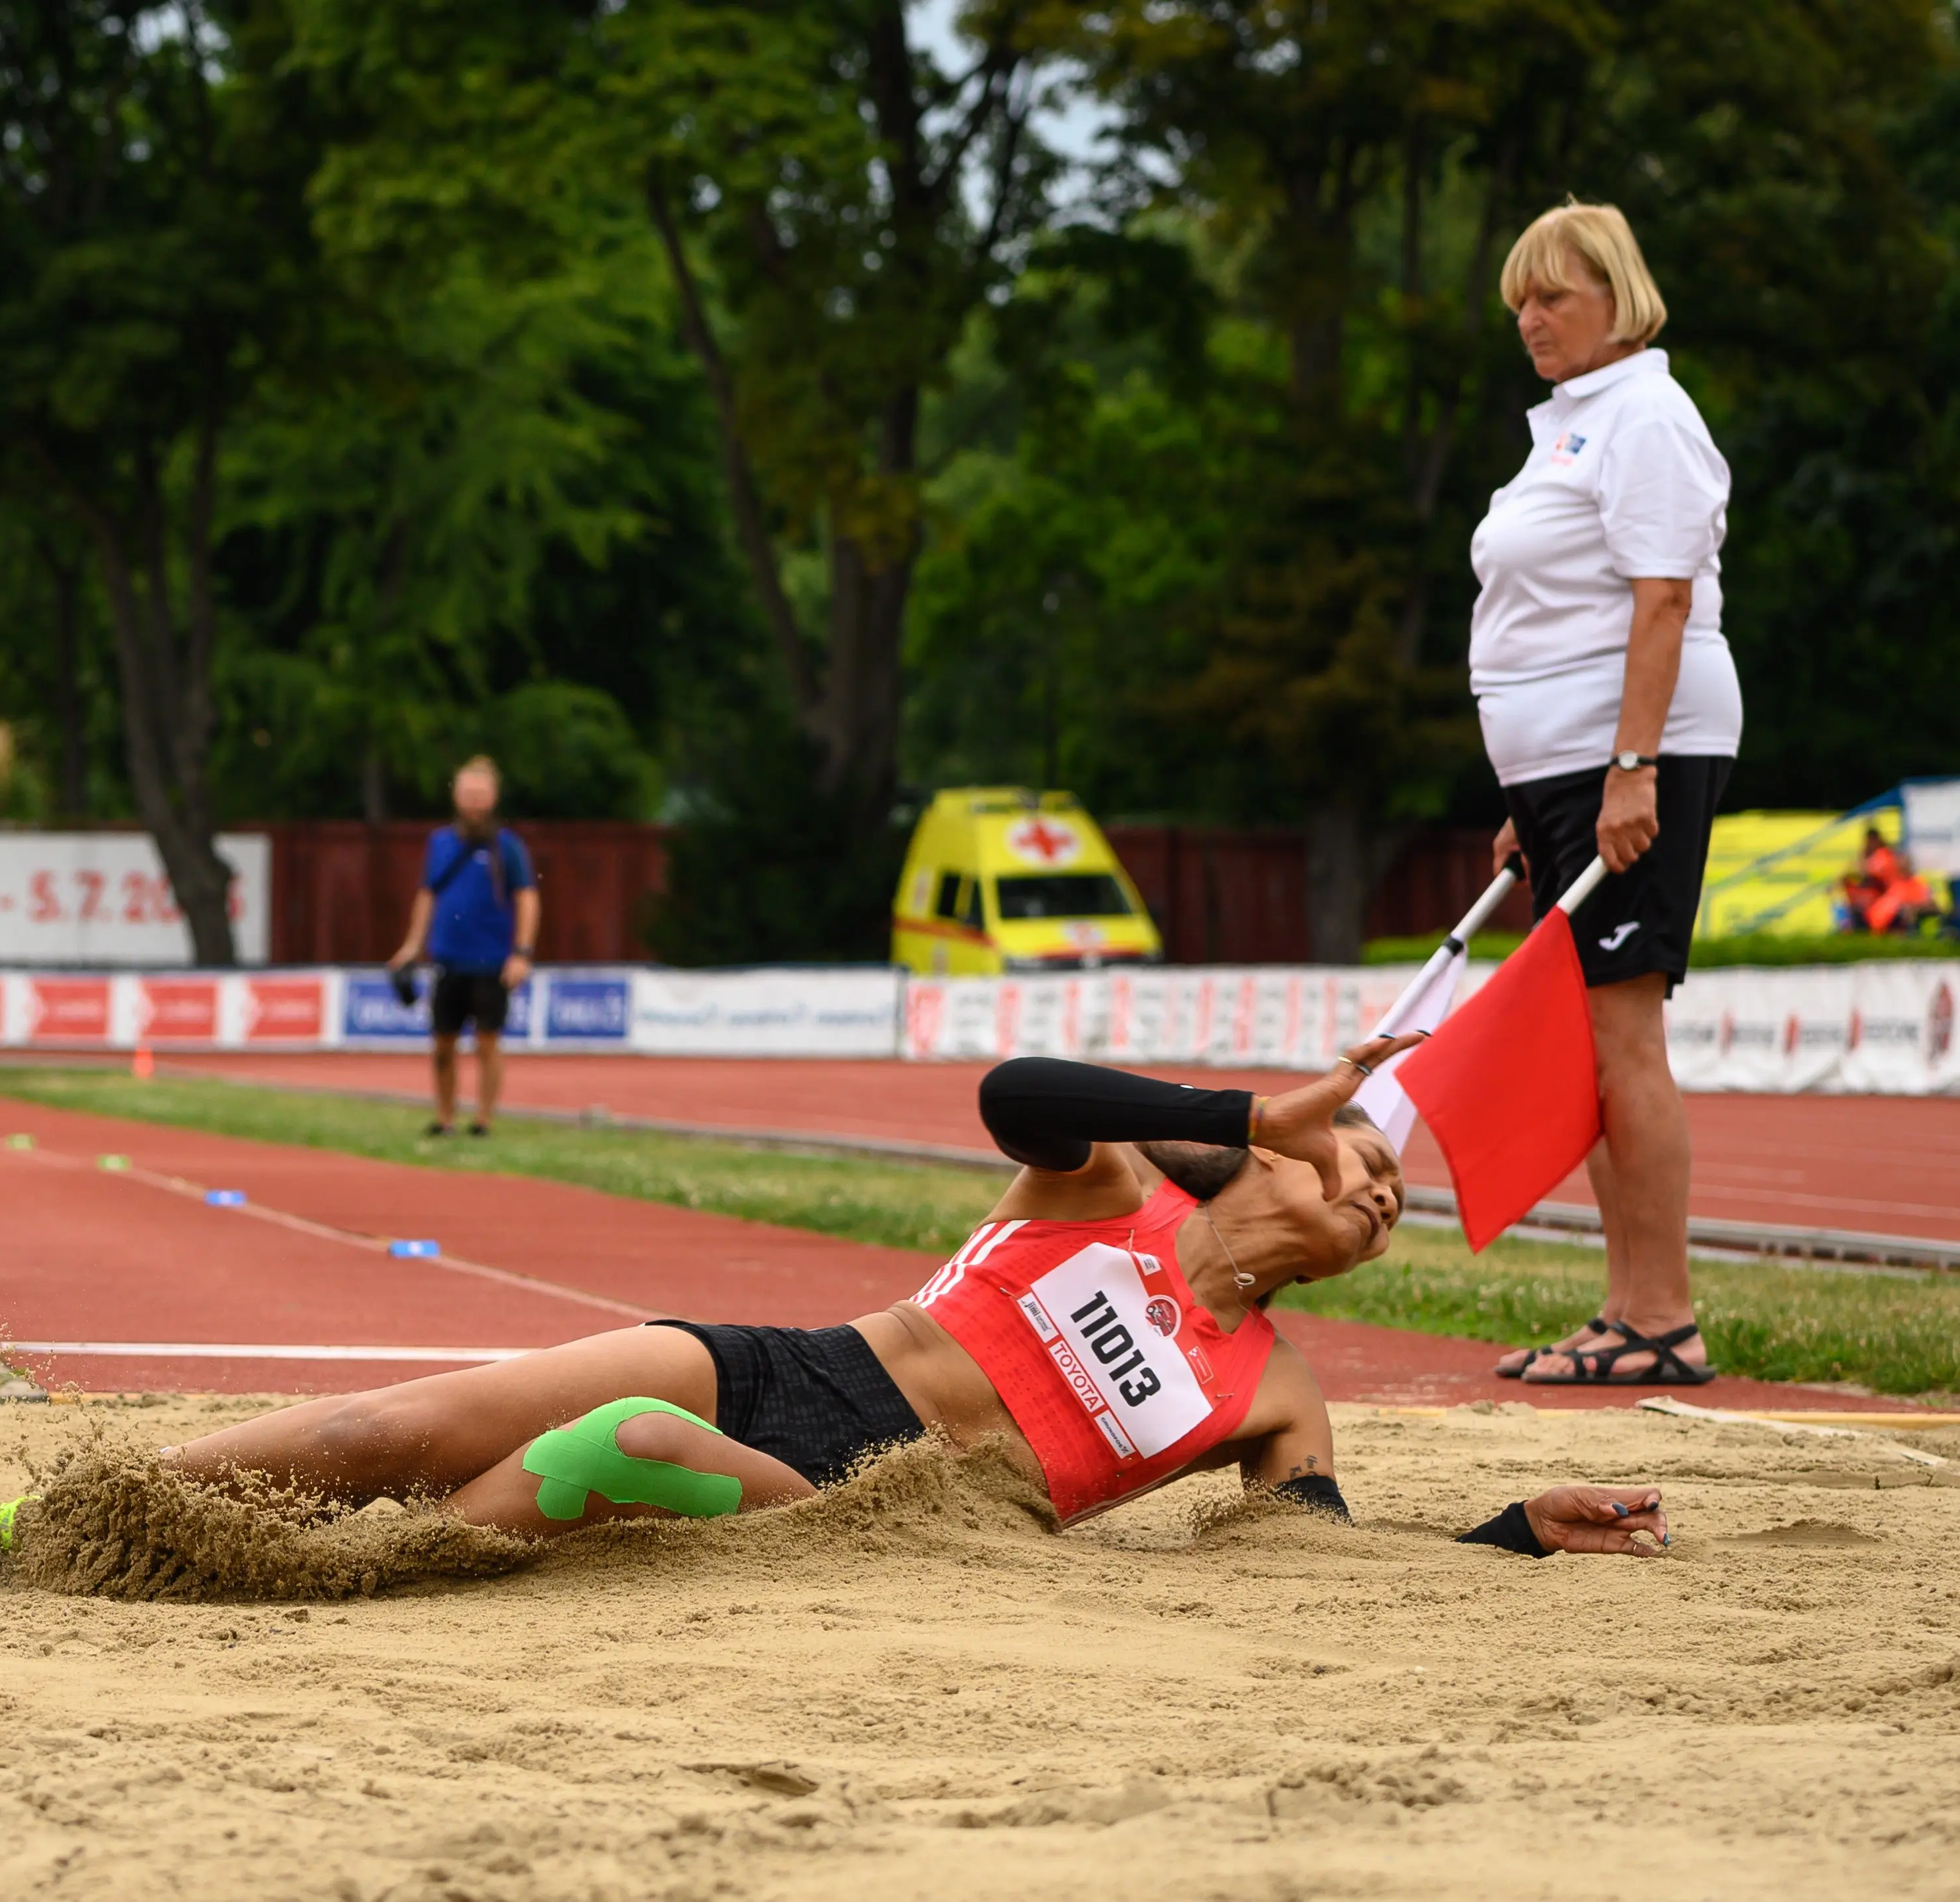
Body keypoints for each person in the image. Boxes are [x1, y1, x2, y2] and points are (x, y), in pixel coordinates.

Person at [168, 1045, 1671, 1560]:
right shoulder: (1110, 1183)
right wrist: (1263, 1100)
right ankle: (83, 1521)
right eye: (1364, 1157)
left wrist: (1506, 1532)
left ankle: (357, 1576)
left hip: (880, 1508)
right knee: (386, 1422)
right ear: (1274, 1150)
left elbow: (1309, 1562)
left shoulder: (1277, 1391)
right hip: (781, 1368)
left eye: (1391, 1203)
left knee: (608, 1447)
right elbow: (1014, 1088)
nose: (1381, 1186)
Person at [1470, 203, 1736, 1387]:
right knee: (1586, 1040)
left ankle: (1662, 1316)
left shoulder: (1646, 417)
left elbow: (1660, 599)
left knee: (1622, 1029)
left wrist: (1631, 767)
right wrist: (1524, 807)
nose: (1530, 318)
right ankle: (1623, 1310)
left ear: (1616, 299)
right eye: (1519, 301)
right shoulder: (1568, 427)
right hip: (1560, 768)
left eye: (1553, 297)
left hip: (1628, 756)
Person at [388, 757, 539, 1137]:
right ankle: (445, 1118)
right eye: (468, 794)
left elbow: (527, 898)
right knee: (443, 1044)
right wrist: (411, 946)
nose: (474, 803)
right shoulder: (439, 843)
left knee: (488, 1042)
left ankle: (484, 1119)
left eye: (481, 795)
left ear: (493, 798)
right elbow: (427, 895)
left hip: (491, 961)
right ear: (456, 796)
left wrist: (522, 952)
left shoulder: (508, 847)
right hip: (447, 959)